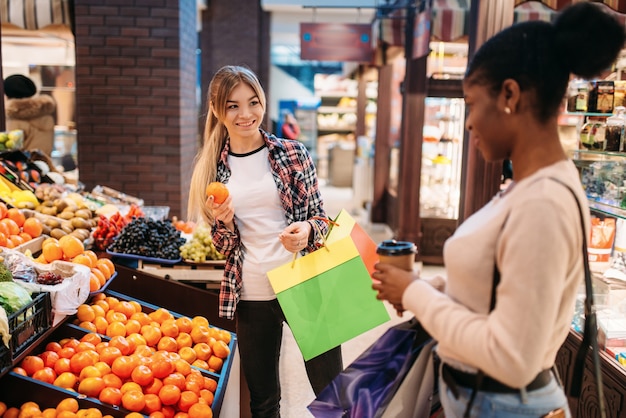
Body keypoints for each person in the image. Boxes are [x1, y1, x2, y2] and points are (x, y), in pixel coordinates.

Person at [372, 3, 624, 417]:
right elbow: (488, 296)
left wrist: (415, 294)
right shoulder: (527, 187)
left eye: (471, 103)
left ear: (509, 95)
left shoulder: (543, 202)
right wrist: (424, 288)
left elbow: (511, 356)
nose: (468, 123)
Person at [187, 65, 342, 417]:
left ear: (263, 102)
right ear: (217, 110)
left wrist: (306, 232)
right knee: (264, 402)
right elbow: (224, 248)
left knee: (334, 392)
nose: (246, 114)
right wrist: (224, 223)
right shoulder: (213, 172)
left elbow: (322, 219)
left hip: (304, 283)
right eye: (233, 106)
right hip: (253, 293)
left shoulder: (293, 154)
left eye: (253, 102)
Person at [3, 74, 56, 156]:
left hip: (24, 167)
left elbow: (9, 150)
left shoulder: (15, 119)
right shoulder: (46, 115)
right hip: (44, 164)